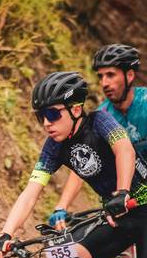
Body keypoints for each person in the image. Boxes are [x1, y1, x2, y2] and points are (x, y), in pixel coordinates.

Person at [0, 72, 147, 258]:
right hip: (120, 217)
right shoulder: (54, 146)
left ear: (75, 109)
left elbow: (124, 149)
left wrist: (122, 192)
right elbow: (31, 191)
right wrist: (6, 233)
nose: (46, 123)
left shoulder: (99, 121)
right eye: (40, 117)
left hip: (139, 206)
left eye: (52, 114)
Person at [48, 44, 145, 230]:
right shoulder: (101, 117)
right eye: (100, 76)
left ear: (130, 75)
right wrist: (62, 206)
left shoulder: (145, 103)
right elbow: (83, 163)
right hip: (125, 197)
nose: (104, 83)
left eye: (110, 75)